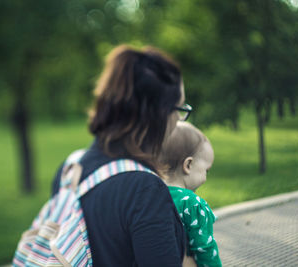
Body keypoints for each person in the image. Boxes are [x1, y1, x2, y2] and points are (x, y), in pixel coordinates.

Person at [51, 45, 193, 266]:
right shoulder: (145, 191)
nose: (179, 121)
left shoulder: (69, 168)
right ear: (158, 115)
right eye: (179, 109)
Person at [159, 121, 222, 267]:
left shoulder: (152, 194)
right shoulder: (192, 204)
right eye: (206, 170)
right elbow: (205, 250)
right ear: (188, 165)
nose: (206, 178)